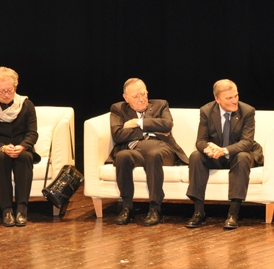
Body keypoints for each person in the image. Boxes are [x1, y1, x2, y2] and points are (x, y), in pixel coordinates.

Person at [108, 78, 188, 226]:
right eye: (135, 96)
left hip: (162, 149)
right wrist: (152, 128)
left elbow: (167, 125)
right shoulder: (118, 109)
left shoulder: (161, 104)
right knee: (122, 156)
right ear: (126, 98)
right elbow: (118, 135)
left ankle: (155, 208)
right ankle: (127, 207)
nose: (141, 99)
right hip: (134, 149)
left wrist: (138, 123)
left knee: (153, 155)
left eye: (143, 94)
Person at [185, 79, 263, 230]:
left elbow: (247, 142)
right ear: (217, 99)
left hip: (236, 154)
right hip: (216, 156)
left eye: (236, 96)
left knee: (243, 157)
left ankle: (233, 213)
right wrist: (208, 148)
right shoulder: (206, 111)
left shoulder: (247, 111)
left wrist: (224, 150)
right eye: (229, 98)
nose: (234, 101)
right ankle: (198, 212)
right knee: (196, 156)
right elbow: (200, 140)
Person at [0, 66, 40, 227]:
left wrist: (23, 146)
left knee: (25, 157)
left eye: (9, 90)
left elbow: (32, 133)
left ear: (15, 87)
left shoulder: (26, 104)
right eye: (1, 91)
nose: (6, 94)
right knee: (0, 158)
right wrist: (2, 147)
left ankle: (21, 209)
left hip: (21, 148)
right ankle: (6, 210)